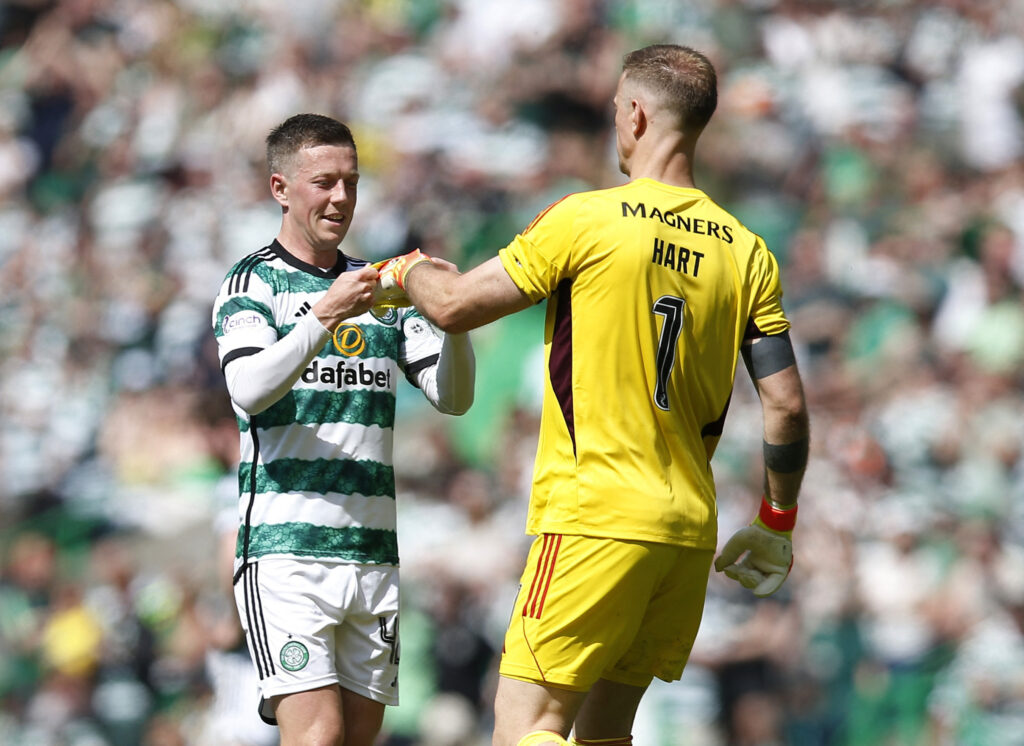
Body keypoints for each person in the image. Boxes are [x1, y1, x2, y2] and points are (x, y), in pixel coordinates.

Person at [378, 44, 810, 746]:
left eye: (614, 111)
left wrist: (404, 269)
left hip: (594, 516)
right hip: (684, 533)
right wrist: (776, 521)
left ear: (635, 114)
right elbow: (786, 404)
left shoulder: (587, 219)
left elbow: (453, 306)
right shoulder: (746, 251)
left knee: (526, 727)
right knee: (606, 734)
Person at [210, 113, 475, 746]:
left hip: (372, 556)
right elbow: (248, 388)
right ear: (280, 188)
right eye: (324, 182)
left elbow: (454, 397)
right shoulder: (253, 283)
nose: (341, 198)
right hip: (286, 554)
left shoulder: (379, 289)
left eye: (351, 182)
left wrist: (457, 318)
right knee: (318, 735)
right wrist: (324, 315)